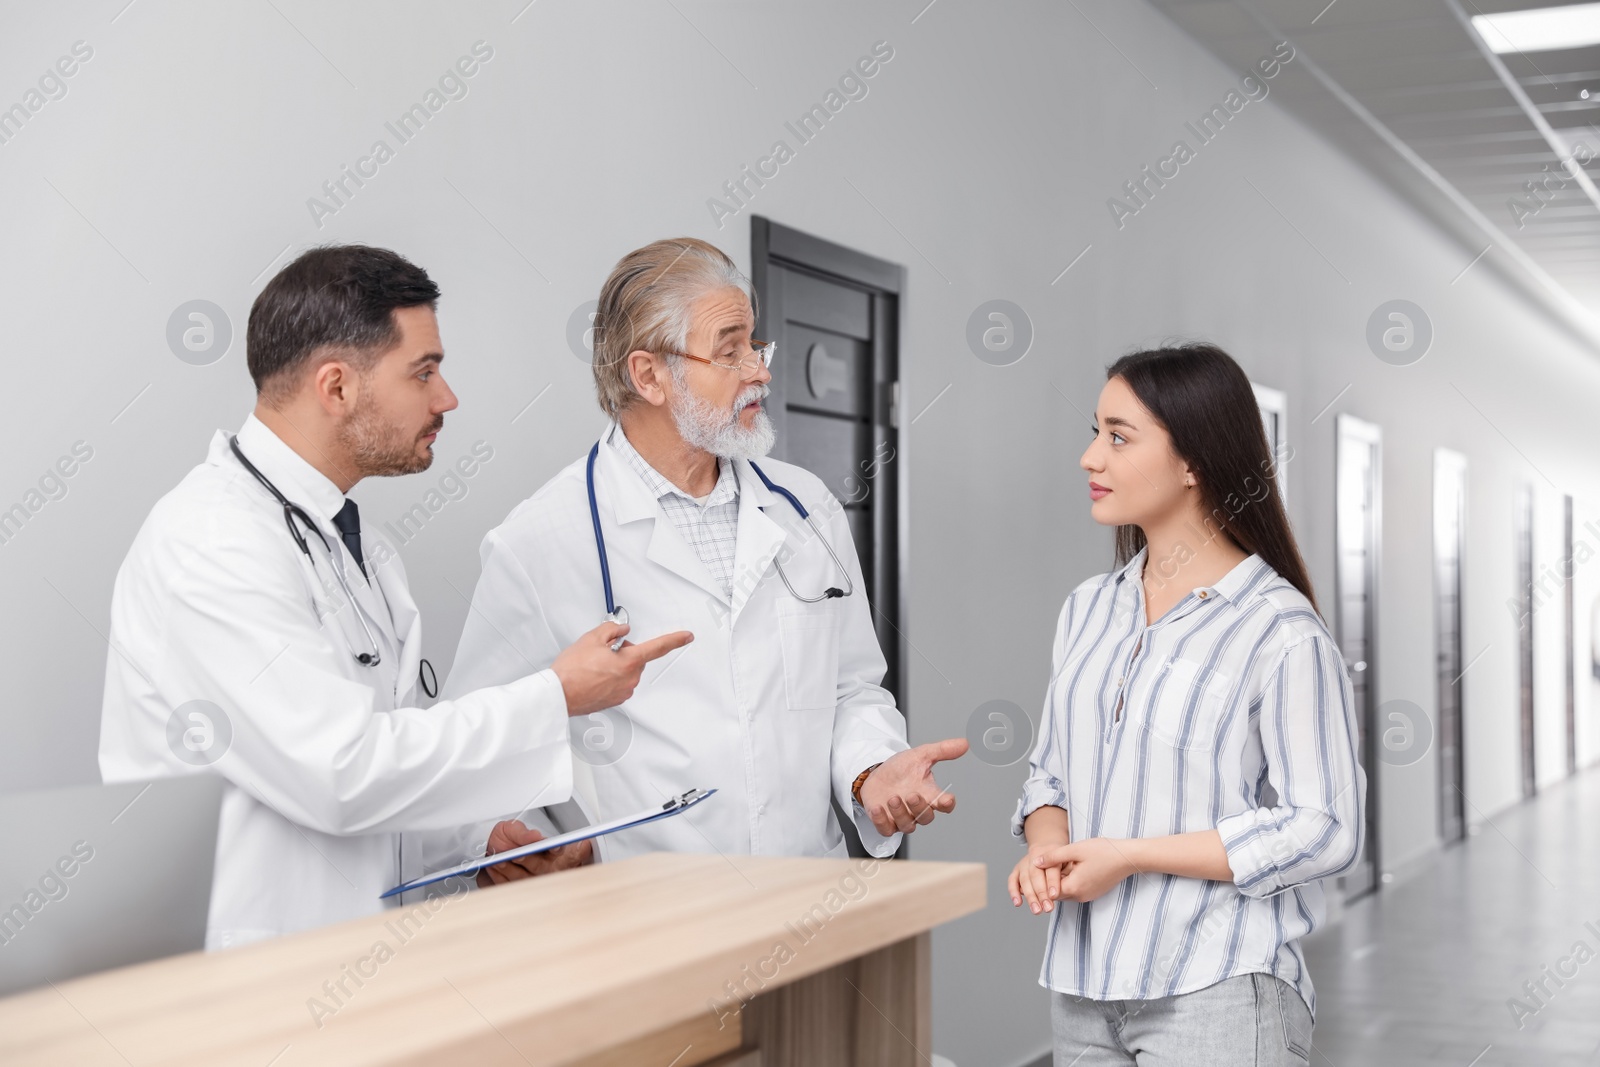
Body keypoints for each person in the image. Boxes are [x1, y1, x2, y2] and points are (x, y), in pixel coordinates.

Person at [99, 245, 689, 948]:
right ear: (337, 387)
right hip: (248, 976)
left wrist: (481, 843)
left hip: (356, 960)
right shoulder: (210, 543)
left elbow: (388, 768)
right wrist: (554, 694)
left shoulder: (360, 546)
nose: (447, 398)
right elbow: (339, 772)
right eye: (425, 371)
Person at [447, 237, 966, 880]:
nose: (760, 369)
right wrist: (497, 838)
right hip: (643, 921)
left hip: (799, 900)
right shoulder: (539, 541)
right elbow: (475, 741)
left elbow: (852, 687)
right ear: (648, 376)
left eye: (756, 345)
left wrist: (871, 771)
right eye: (730, 350)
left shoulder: (807, 508)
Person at [1009, 343, 1365, 1065]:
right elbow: (1048, 774)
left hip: (1219, 988)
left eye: (1118, 436)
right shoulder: (1088, 609)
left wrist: (1131, 855)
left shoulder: (1279, 630)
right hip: (1082, 991)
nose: (1089, 457)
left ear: (1194, 461)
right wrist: (1046, 846)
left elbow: (1325, 827)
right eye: (1094, 430)